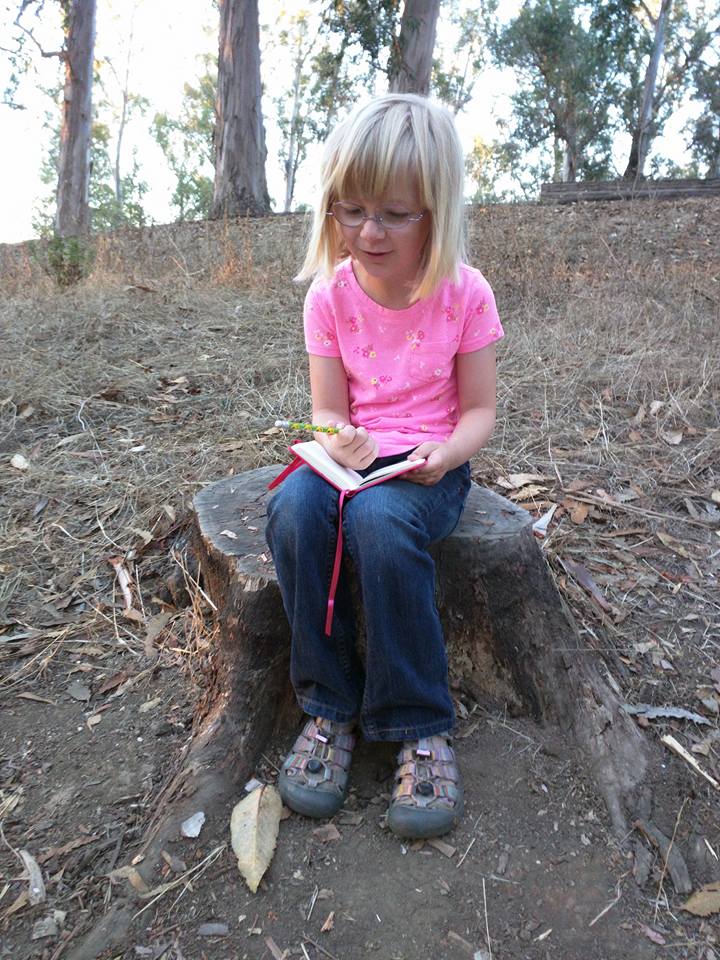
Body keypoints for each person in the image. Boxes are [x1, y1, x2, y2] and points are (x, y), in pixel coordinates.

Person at [265, 93, 504, 839]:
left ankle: (419, 721)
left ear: (436, 211)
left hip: (430, 466)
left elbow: (480, 412)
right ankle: (328, 704)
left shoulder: (464, 294)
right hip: (352, 464)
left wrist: (448, 453)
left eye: (395, 214)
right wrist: (336, 438)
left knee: (378, 521)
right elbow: (325, 411)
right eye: (352, 210)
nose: (369, 232)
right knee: (292, 511)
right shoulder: (329, 296)